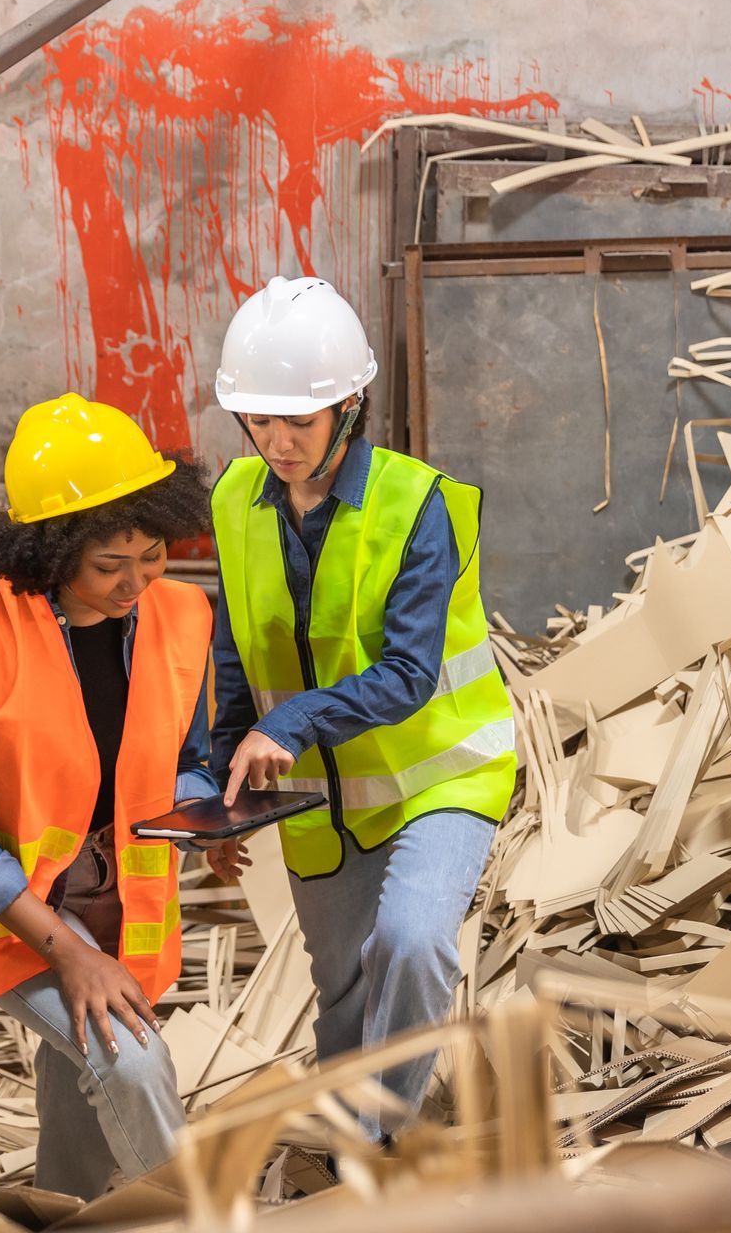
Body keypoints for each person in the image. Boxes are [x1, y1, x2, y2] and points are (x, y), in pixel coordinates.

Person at [0, 393, 242, 1198]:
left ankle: (62, 1210)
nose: (136, 582)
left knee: (81, 1088)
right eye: (108, 565)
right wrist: (71, 953)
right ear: (49, 552)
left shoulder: (182, 615)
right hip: (19, 913)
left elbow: (184, 760)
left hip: (123, 904)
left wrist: (207, 819)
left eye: (152, 554)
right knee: (133, 1063)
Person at [208, 276, 517, 1140]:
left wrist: (289, 725)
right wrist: (216, 790)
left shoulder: (419, 507)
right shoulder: (235, 501)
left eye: (298, 421)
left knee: (413, 944)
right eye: (257, 420)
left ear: (350, 407)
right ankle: (349, 1143)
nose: (276, 442)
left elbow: (411, 672)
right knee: (342, 995)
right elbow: (234, 652)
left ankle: (374, 1155)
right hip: (320, 798)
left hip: (442, 776)